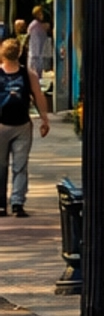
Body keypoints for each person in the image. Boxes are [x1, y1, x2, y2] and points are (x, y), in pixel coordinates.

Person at [0, 36, 48, 216]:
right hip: (22, 125)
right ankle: (17, 203)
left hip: (1, 125)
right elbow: (38, 96)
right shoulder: (28, 74)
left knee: (0, 166)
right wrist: (44, 119)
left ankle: (1, 204)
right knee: (20, 166)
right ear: (19, 53)